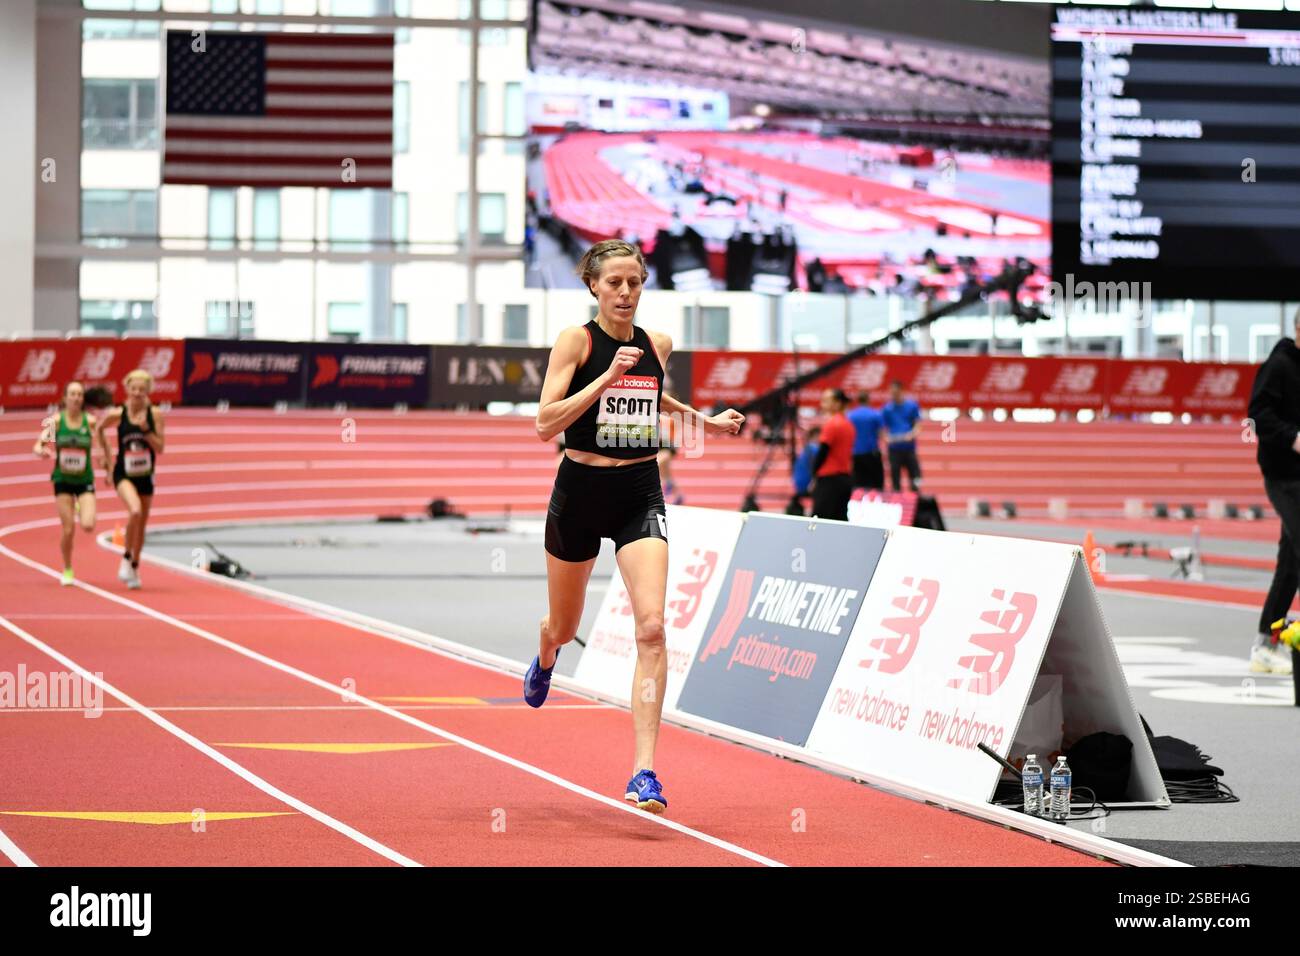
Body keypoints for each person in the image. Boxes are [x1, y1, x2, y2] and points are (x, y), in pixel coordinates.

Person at [528, 238, 744, 813]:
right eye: (615, 283)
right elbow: (545, 423)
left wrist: (707, 421)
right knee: (564, 619)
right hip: (579, 491)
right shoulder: (577, 340)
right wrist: (602, 380)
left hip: (638, 492)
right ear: (593, 286)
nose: (626, 293)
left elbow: (652, 395)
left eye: (635, 283)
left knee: (652, 627)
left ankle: (644, 773)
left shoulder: (657, 344)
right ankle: (547, 651)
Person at [1245, 310, 1300, 675]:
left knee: (1291, 561)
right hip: (1282, 473)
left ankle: (1266, 642)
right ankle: (1267, 642)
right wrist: (1292, 437)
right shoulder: (1279, 365)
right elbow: (1257, 413)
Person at [95, 369, 166, 590]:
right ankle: (126, 558)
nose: (137, 393)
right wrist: (104, 456)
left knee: (141, 524)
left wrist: (146, 431)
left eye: (141, 390)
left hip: (146, 475)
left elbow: (160, 447)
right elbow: (98, 428)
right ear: (127, 389)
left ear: (147, 392)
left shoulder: (154, 415)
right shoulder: (119, 414)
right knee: (134, 511)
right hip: (123, 473)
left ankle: (135, 565)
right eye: (133, 389)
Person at [34, 381, 102, 586]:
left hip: (84, 479)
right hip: (62, 480)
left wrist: (105, 460)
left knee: (89, 525)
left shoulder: (90, 422)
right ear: (65, 398)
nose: (76, 398)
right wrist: (42, 451)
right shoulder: (55, 421)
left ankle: (80, 504)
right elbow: (39, 444)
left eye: (80, 394)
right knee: (69, 529)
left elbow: (100, 445)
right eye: (72, 394)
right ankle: (68, 568)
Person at [811, 389, 854, 521]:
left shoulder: (832, 424)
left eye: (826, 401)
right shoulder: (848, 425)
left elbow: (823, 452)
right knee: (840, 519)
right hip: (845, 478)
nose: (822, 404)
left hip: (829, 480)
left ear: (836, 404)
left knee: (820, 521)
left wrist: (813, 474)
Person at [882, 380, 923, 492]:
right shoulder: (887, 408)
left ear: (901, 391)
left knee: (915, 476)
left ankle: (916, 497)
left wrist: (911, 434)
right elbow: (882, 429)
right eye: (891, 393)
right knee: (895, 478)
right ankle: (897, 501)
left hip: (909, 448)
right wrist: (886, 438)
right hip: (894, 449)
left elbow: (918, 425)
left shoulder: (912, 406)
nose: (893, 395)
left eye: (895, 392)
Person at [846, 391, 885, 491]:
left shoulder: (851, 416)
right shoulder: (875, 414)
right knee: (876, 484)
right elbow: (882, 433)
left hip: (856, 453)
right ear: (868, 400)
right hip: (872, 453)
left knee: (858, 484)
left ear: (858, 401)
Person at [789, 425, 820, 515]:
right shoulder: (813, 448)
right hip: (806, 484)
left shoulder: (806, 450)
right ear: (815, 436)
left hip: (798, 484)